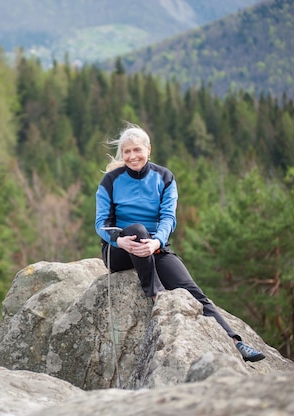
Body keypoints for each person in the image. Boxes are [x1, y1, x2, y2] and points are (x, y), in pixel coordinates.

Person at [94, 122, 265, 362]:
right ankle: (156, 295)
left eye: (137, 150)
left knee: (191, 289)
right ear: (123, 154)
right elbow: (101, 223)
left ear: (148, 149)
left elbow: (168, 218)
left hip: (154, 246)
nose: (132, 156)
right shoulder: (111, 181)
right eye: (127, 151)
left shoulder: (164, 177)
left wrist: (157, 243)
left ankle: (235, 342)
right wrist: (120, 241)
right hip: (119, 250)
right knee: (136, 229)